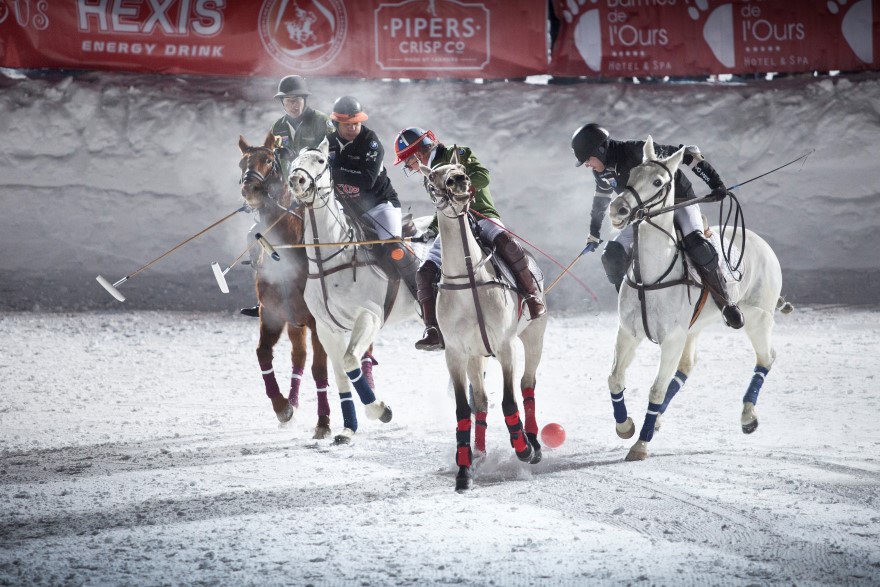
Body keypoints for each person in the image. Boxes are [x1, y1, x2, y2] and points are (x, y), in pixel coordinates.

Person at [570, 123, 744, 329]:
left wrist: (716, 184)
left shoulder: (636, 150)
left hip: (678, 200)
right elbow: (601, 200)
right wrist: (594, 232)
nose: (588, 165)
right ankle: (632, 305)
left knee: (697, 245)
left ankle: (725, 302)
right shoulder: (601, 172)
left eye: (588, 159)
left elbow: (688, 154)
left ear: (600, 149)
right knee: (612, 255)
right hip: (644, 213)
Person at [394, 127, 546, 351]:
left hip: (480, 216)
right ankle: (433, 329)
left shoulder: (460, 154)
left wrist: (462, 189)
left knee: (509, 246)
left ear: (417, 155)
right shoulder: (429, 175)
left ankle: (532, 298)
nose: (410, 168)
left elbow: (483, 176)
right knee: (424, 272)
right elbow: (441, 209)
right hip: (452, 226)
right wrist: (430, 231)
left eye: (408, 163)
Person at [241, 75, 334, 318]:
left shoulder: (322, 122)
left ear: (304, 100)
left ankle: (331, 293)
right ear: (282, 103)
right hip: (286, 194)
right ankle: (265, 295)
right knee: (256, 234)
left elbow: (333, 155)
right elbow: (269, 164)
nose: (293, 105)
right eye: (288, 101)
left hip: (317, 191)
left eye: (297, 100)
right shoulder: (277, 128)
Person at [326, 96, 419, 299]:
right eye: (347, 124)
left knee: (395, 250)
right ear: (336, 124)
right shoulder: (328, 143)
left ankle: (422, 295)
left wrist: (333, 170)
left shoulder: (371, 143)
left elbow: (366, 181)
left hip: (378, 205)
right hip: (345, 207)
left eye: (356, 123)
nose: (353, 128)